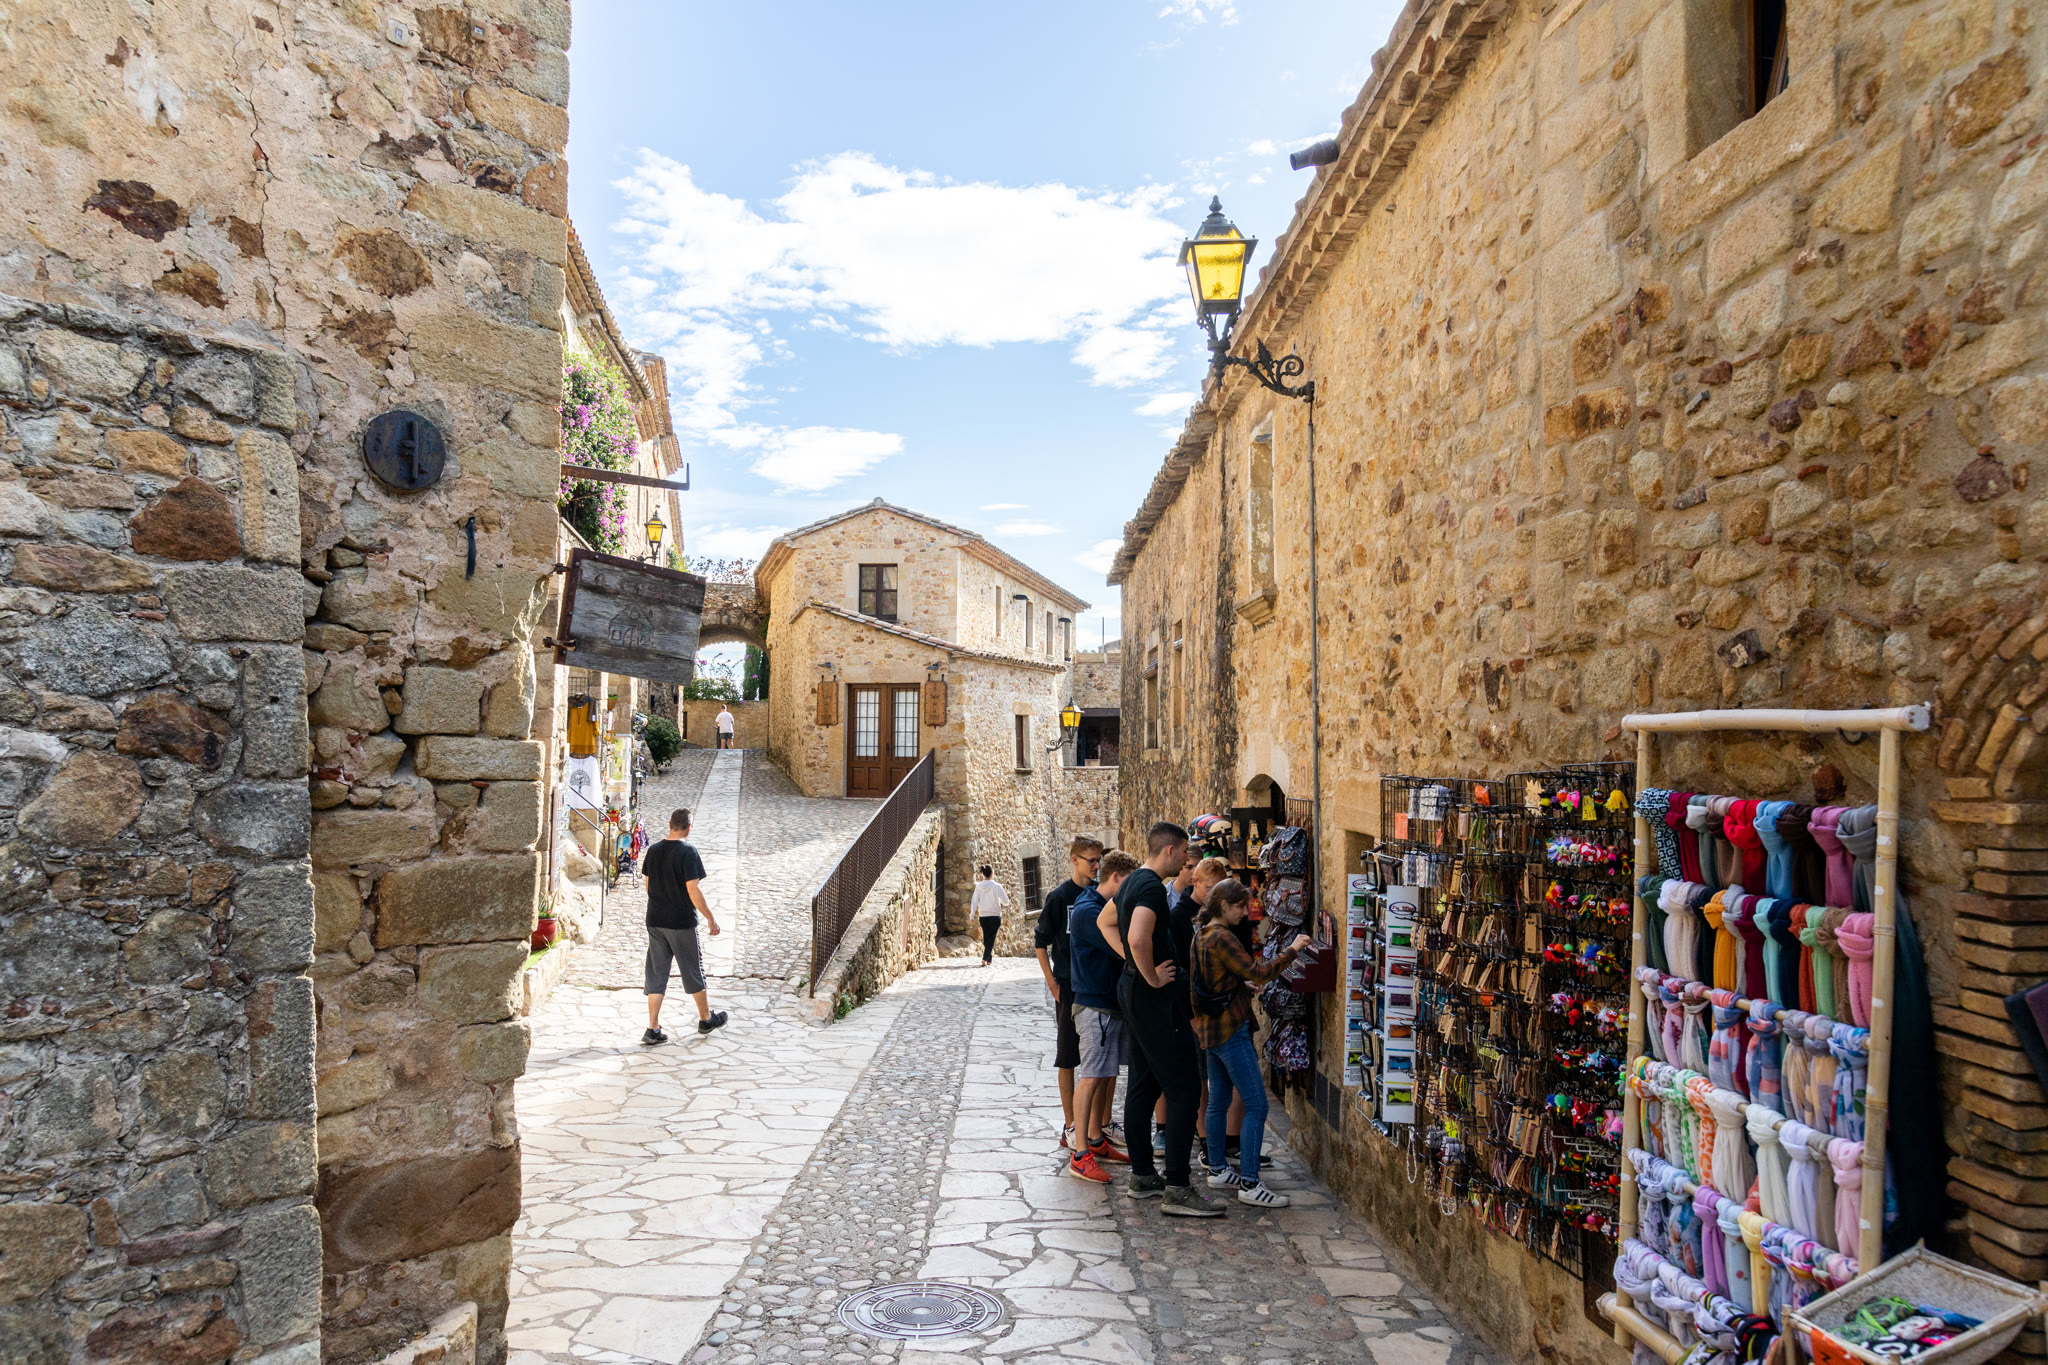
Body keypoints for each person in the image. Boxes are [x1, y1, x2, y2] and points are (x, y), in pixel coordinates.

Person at [1099, 822, 1222, 1217]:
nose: (1188, 860)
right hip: (1154, 999)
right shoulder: (1151, 887)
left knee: (1144, 1083)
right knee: (1184, 1089)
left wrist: (1135, 967)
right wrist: (1150, 973)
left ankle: (1143, 1177)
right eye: (1185, 852)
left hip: (1133, 992)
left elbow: (1106, 922)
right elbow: (1137, 937)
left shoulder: (1132, 881)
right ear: (1170, 850)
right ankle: (1178, 1188)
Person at [1193, 878, 1310, 1206]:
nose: (1245, 913)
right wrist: (1293, 949)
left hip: (1211, 1029)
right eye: (1240, 906)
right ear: (1224, 905)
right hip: (1231, 1030)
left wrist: (1237, 985)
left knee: (1218, 1101)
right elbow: (1260, 972)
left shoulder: (1201, 935)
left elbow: (1205, 983)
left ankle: (1218, 1169)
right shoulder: (1223, 937)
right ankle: (1250, 1183)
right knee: (1257, 1104)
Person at [1065, 850, 1134, 1183]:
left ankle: (1096, 1140)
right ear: (1116, 877)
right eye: (1129, 883)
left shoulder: (1101, 905)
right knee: (1091, 1076)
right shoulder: (1088, 911)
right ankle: (1080, 1154)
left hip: (1109, 1005)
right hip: (1094, 1007)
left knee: (1105, 1075)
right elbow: (1124, 946)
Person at [1037, 836, 1102, 1152]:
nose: (1097, 865)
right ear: (1075, 860)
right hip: (1068, 985)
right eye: (1092, 860)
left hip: (1096, 986)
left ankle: (1097, 1126)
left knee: (1098, 1058)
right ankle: (1070, 1124)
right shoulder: (1059, 897)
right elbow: (1041, 941)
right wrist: (1052, 983)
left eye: (1099, 859)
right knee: (1067, 1056)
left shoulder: (1100, 895)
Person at [641, 808, 726, 1044]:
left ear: (669, 824)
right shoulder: (688, 852)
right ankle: (706, 1019)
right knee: (692, 970)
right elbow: (693, 888)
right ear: (689, 828)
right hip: (681, 921)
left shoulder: (653, 850)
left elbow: (648, 885)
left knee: (656, 973)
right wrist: (710, 917)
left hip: (655, 920)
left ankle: (652, 1028)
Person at [972, 865, 1009, 966]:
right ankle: (985, 958)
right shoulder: (997, 886)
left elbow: (974, 902)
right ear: (992, 874)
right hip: (995, 915)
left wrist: (972, 916)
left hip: (983, 916)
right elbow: (1006, 901)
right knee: (991, 938)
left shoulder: (979, 887)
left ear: (984, 874)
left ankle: (989, 960)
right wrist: (1000, 901)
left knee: (987, 938)